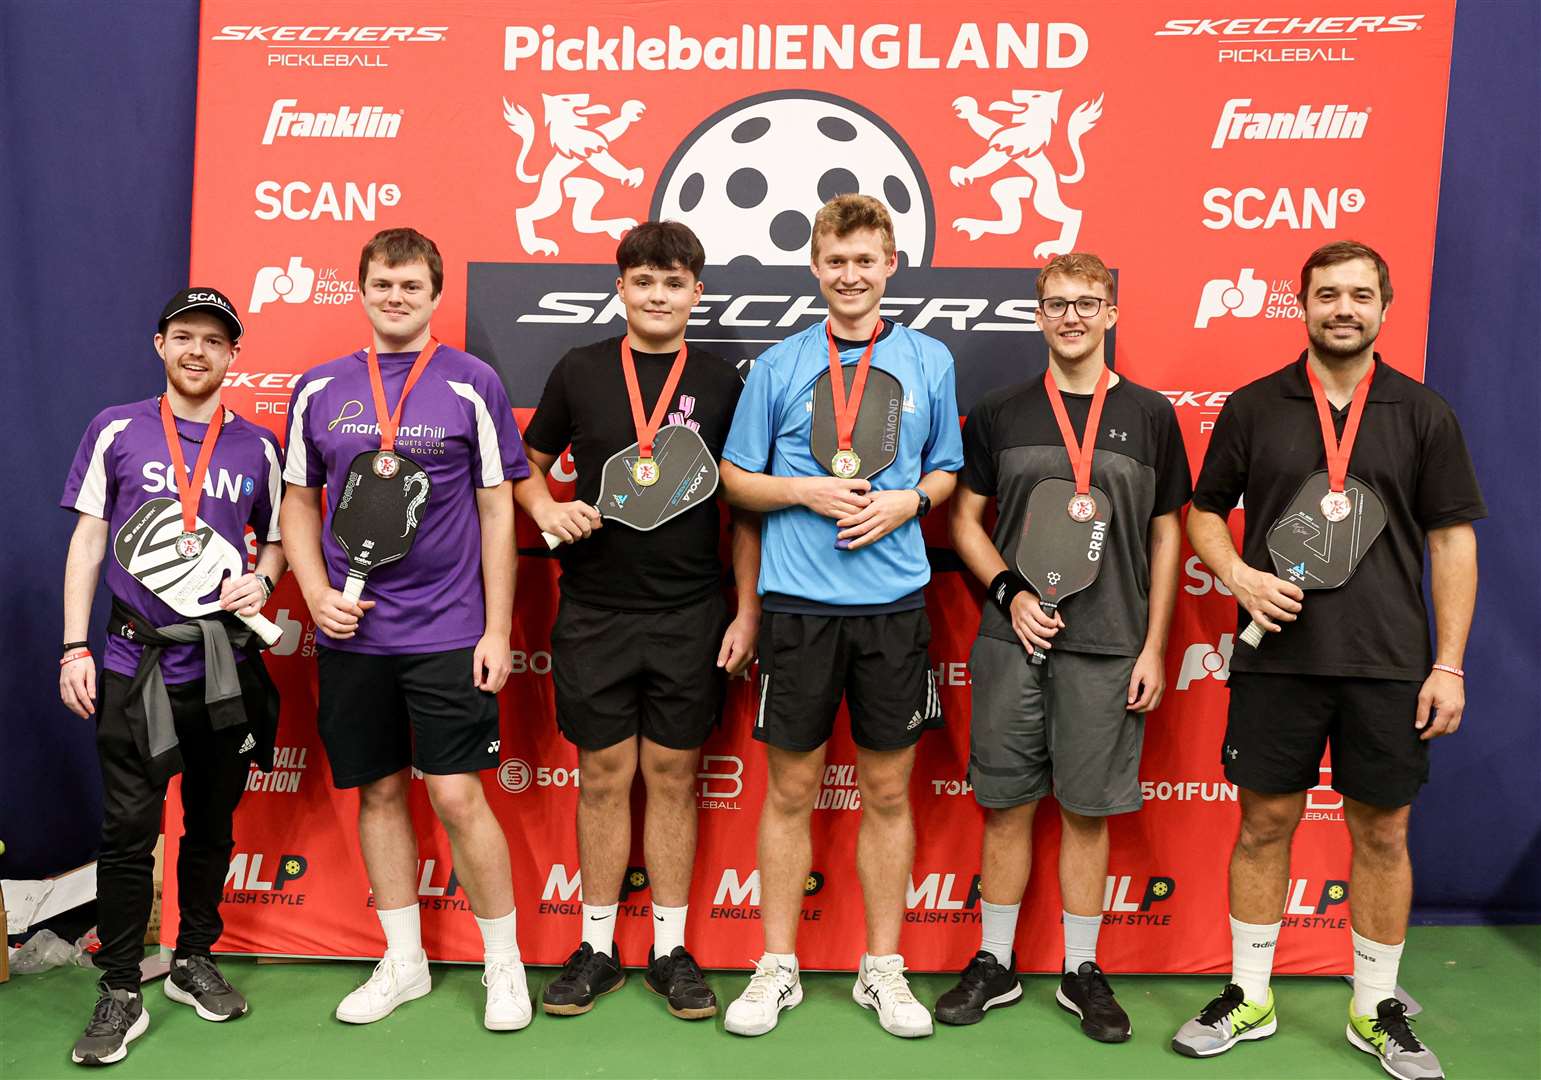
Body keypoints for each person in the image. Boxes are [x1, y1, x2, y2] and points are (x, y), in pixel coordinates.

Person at [1172, 240, 1482, 1079]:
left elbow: (1452, 541)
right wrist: (1237, 577)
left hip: (1387, 663)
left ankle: (1373, 1006)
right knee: (1263, 825)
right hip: (1277, 662)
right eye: (1324, 295)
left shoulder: (1423, 412)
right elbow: (1203, 513)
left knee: (1382, 833)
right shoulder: (1253, 406)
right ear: (1299, 305)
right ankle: (1249, 994)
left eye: (1357, 295)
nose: (1341, 308)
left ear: (1384, 307)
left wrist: (1446, 664)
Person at [717, 193, 963, 1039]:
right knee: (789, 790)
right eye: (836, 260)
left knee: (888, 792)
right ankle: (776, 964)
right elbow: (734, 479)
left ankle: (881, 969)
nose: (851, 275)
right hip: (797, 611)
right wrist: (804, 489)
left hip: (892, 610)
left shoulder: (929, 359)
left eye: (866, 260)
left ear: (891, 264)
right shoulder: (782, 363)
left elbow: (945, 474)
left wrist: (906, 505)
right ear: (815, 268)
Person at [279, 228, 532, 1031]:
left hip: (448, 631)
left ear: (434, 295)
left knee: (457, 795)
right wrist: (314, 593)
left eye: (411, 287)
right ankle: (405, 962)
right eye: (383, 285)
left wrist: (496, 629)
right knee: (380, 793)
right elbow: (298, 501)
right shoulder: (319, 389)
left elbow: (498, 509)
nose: (396, 298)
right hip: (355, 637)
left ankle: (504, 965)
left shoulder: (471, 383)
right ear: (361, 290)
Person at [941, 252, 1189, 1041]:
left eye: (1087, 303)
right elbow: (962, 523)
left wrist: (1153, 647)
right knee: (1006, 806)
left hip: (1110, 648)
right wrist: (1009, 596)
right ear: (1038, 316)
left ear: (1111, 313)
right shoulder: (1003, 410)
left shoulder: (1149, 414)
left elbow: (1165, 534)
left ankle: (1081, 970)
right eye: (1056, 304)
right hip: (1011, 642)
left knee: (1085, 813)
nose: (1072, 317)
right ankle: (994, 963)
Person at [514, 221, 759, 1020]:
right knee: (601, 779)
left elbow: (748, 508)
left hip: (692, 612)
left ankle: (669, 949)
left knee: (674, 778)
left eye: (674, 282)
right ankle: (594, 947)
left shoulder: (725, 382)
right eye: (643, 281)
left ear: (697, 292)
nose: (658, 295)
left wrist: (746, 610)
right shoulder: (580, 369)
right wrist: (547, 513)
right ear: (620, 287)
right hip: (594, 612)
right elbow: (527, 467)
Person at [60, 287, 286, 1065]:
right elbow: (90, 540)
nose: (198, 351)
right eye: (184, 336)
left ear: (233, 355)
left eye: (214, 341)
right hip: (132, 664)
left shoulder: (257, 446)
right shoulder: (115, 429)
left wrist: (264, 580)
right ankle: (121, 986)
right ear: (160, 344)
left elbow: (277, 543)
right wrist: (72, 647)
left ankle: (192, 957)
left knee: (213, 824)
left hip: (225, 671)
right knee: (128, 832)